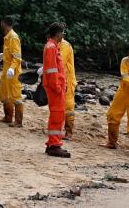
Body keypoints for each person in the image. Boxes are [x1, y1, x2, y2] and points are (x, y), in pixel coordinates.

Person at [43, 22, 70, 158]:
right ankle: (54, 145)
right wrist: (58, 87)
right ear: (58, 34)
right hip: (55, 87)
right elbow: (52, 70)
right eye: (63, 32)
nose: (63, 35)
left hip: (56, 86)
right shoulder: (52, 47)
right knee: (57, 115)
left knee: (57, 115)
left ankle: (53, 143)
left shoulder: (52, 46)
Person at [0, 16, 23, 127]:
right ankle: (8, 117)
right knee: (5, 94)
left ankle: (18, 121)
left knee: (15, 95)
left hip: (13, 71)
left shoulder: (13, 37)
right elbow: (11, 53)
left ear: (3, 23)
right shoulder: (8, 37)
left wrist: (12, 68)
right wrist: (3, 55)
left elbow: (17, 57)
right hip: (6, 69)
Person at [59, 34, 77, 140]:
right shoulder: (57, 45)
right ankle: (61, 129)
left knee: (68, 106)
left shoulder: (64, 45)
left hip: (68, 81)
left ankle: (69, 132)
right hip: (61, 79)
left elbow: (60, 61)